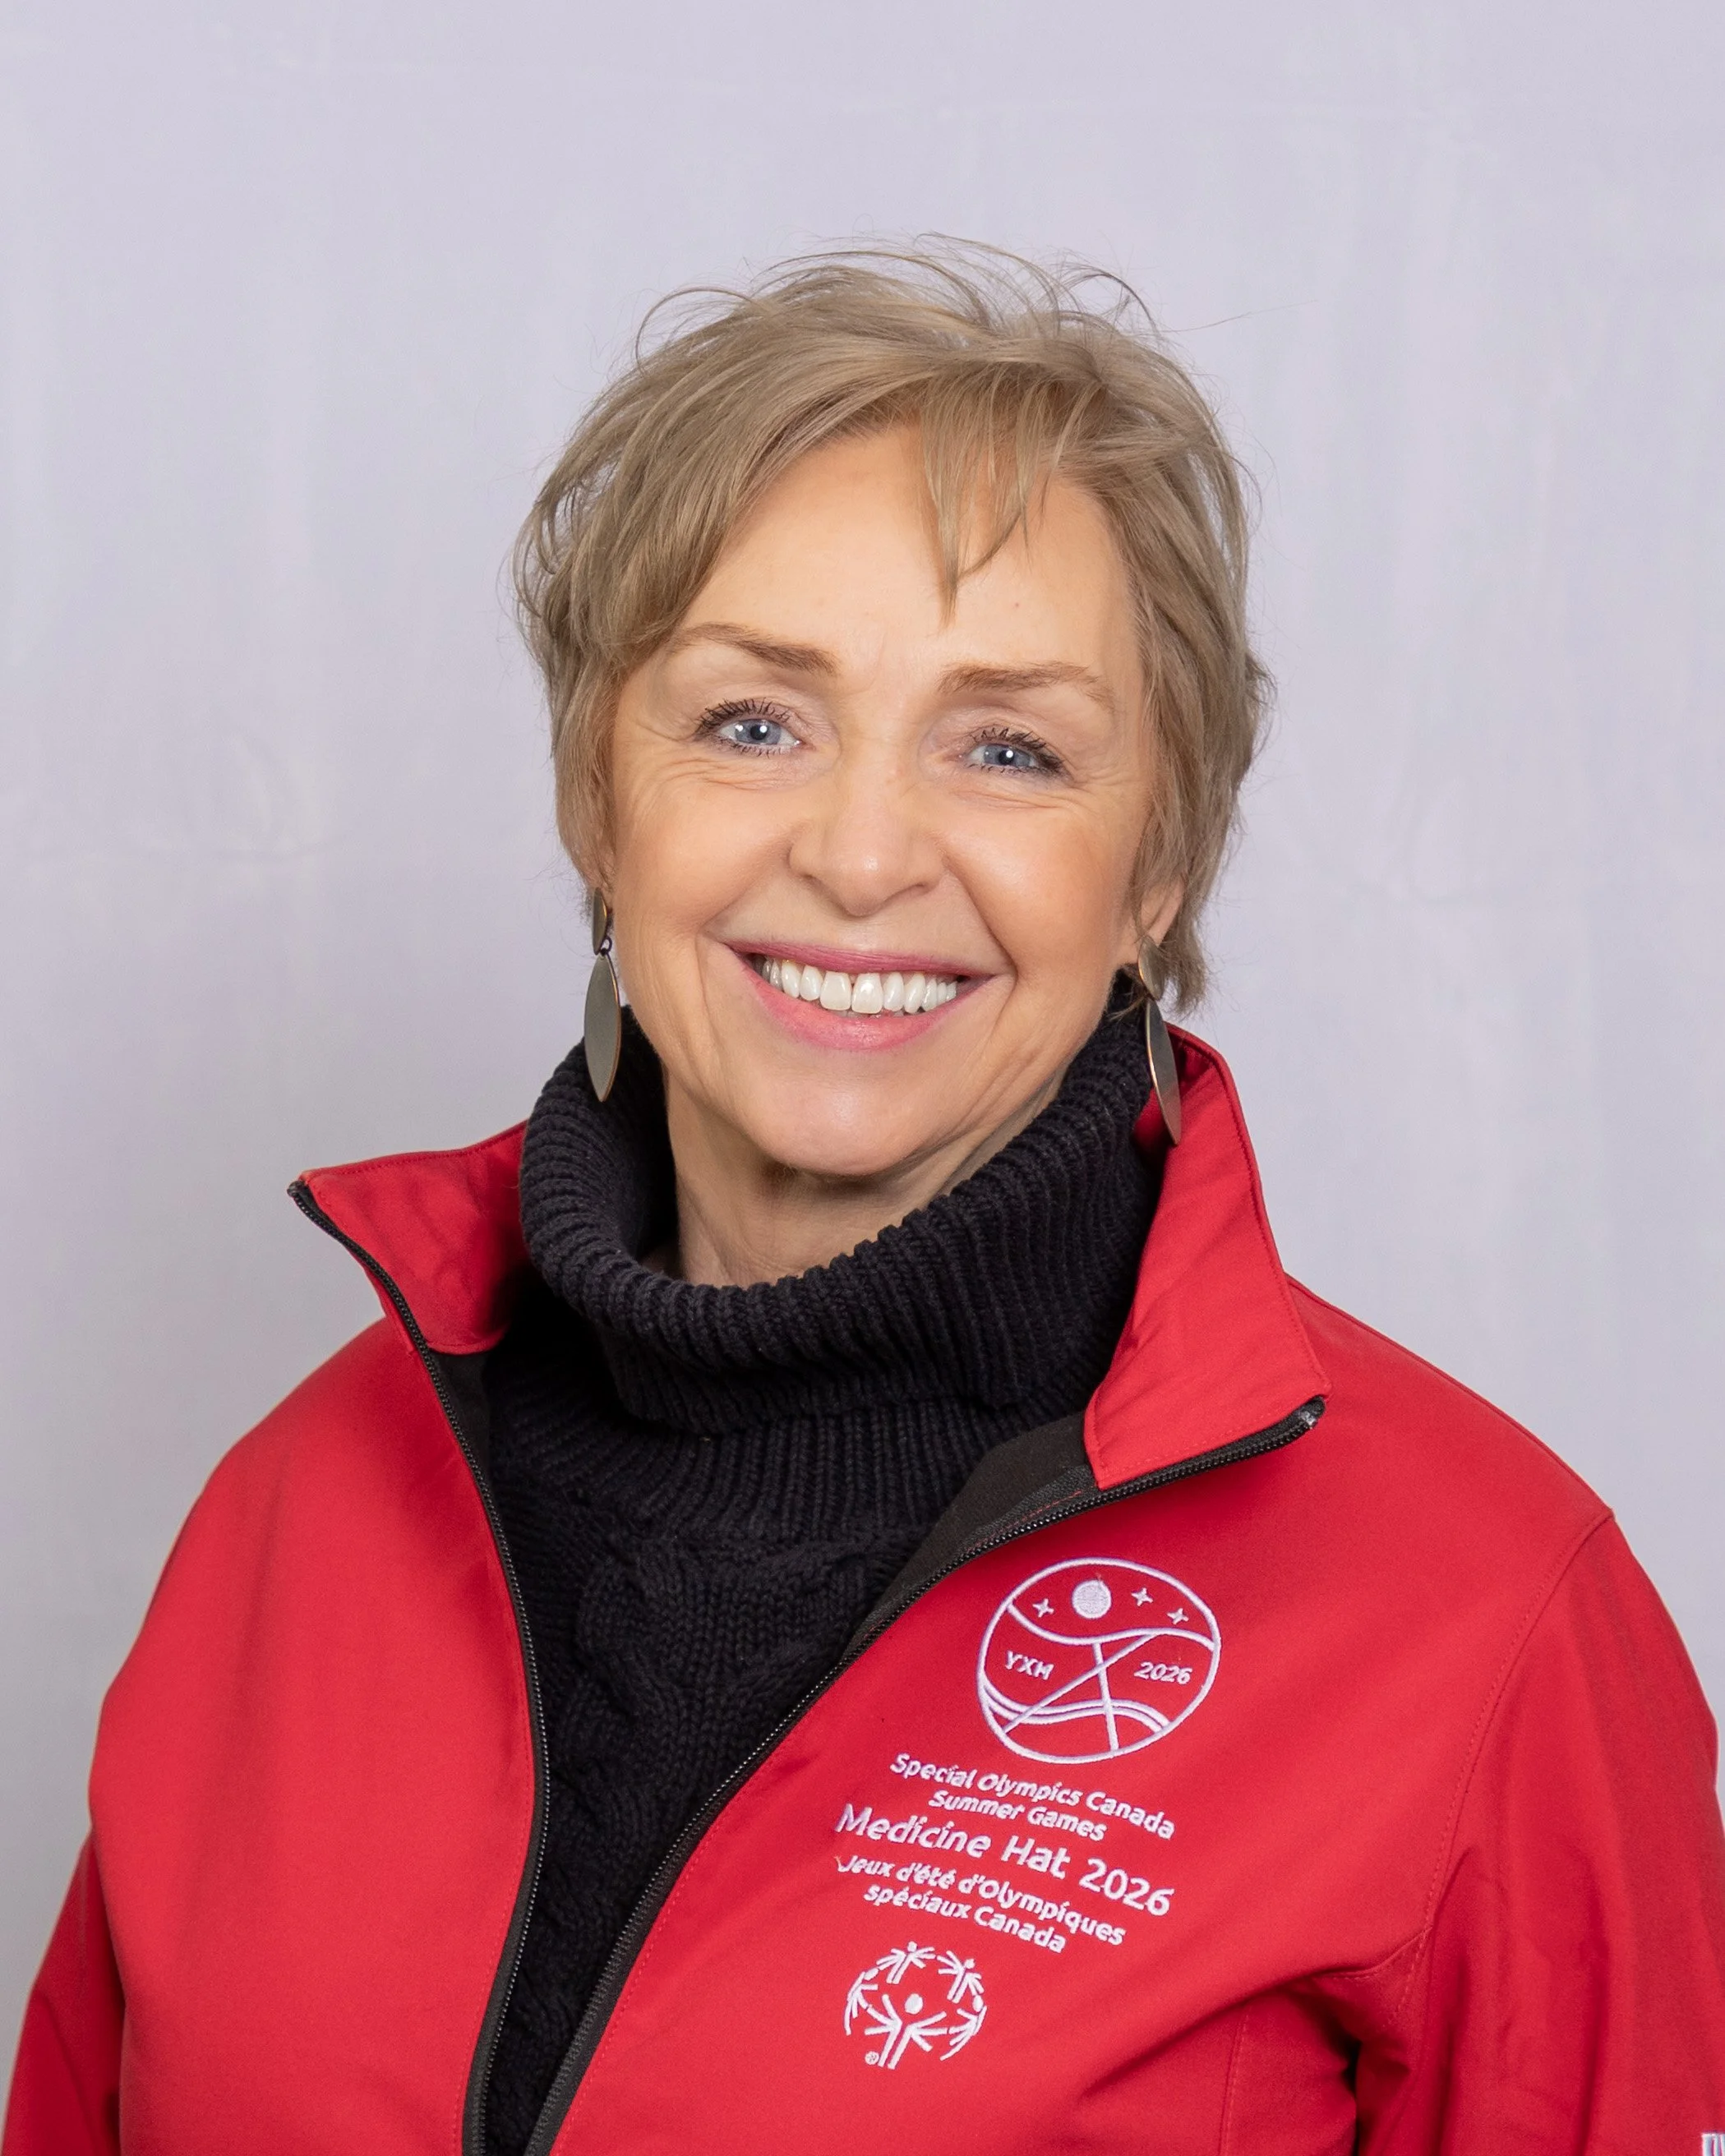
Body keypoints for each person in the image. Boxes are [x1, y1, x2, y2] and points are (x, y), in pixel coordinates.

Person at [7, 245, 1723, 2156]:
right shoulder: (297, 1504)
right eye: (754, 721)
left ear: (1153, 868)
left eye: (1008, 748)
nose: (859, 851)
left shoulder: (1482, 1620)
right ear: (598, 801)